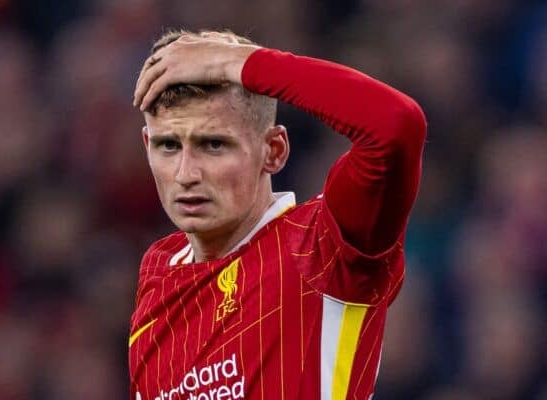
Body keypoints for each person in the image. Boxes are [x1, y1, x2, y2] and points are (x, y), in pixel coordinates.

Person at [130, 29, 426, 400]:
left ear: (273, 150)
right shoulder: (158, 275)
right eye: (169, 146)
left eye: (214, 144)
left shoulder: (324, 247)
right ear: (147, 146)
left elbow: (395, 127)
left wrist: (240, 64)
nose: (186, 174)